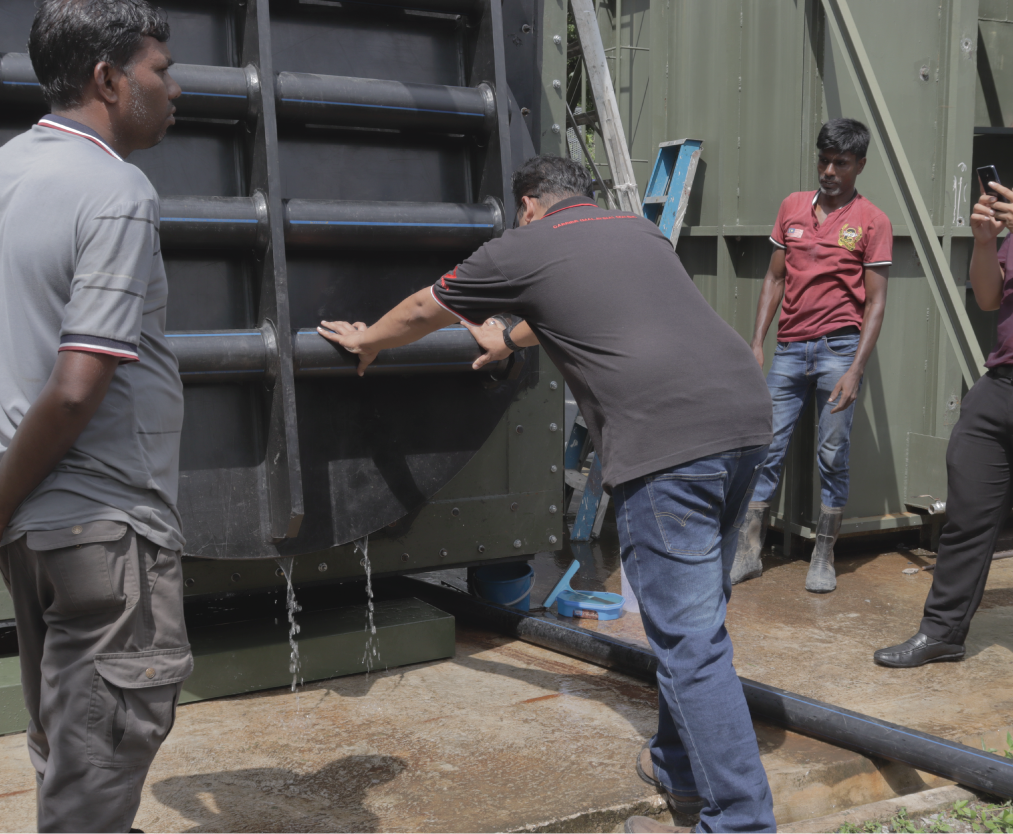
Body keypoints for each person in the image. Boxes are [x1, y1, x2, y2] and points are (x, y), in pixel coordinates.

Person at [318, 156, 777, 834]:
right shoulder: (637, 232)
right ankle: (680, 769)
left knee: (687, 641)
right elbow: (571, 305)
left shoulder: (525, 244)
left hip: (666, 443)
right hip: (743, 421)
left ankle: (739, 821)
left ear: (528, 204)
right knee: (699, 623)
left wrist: (369, 341)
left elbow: (424, 307)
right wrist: (505, 336)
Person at [0, 1, 189, 830]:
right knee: (102, 757)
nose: (175, 91)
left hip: (34, 519)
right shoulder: (116, 190)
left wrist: (3, 441)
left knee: (69, 745)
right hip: (104, 520)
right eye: (160, 73)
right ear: (108, 78)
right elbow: (76, 386)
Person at [730, 118, 892, 593]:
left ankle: (823, 556)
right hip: (789, 350)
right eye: (823, 160)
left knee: (833, 452)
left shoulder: (872, 221)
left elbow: (877, 303)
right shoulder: (792, 208)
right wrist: (757, 341)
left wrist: (856, 370)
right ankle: (749, 552)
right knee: (765, 449)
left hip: (840, 352)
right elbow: (774, 279)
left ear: (859, 165)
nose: (829, 170)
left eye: (840, 163)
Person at [874, 175, 1013, 667]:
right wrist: (985, 243)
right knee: (966, 519)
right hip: (1000, 387)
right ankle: (942, 632)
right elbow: (989, 298)